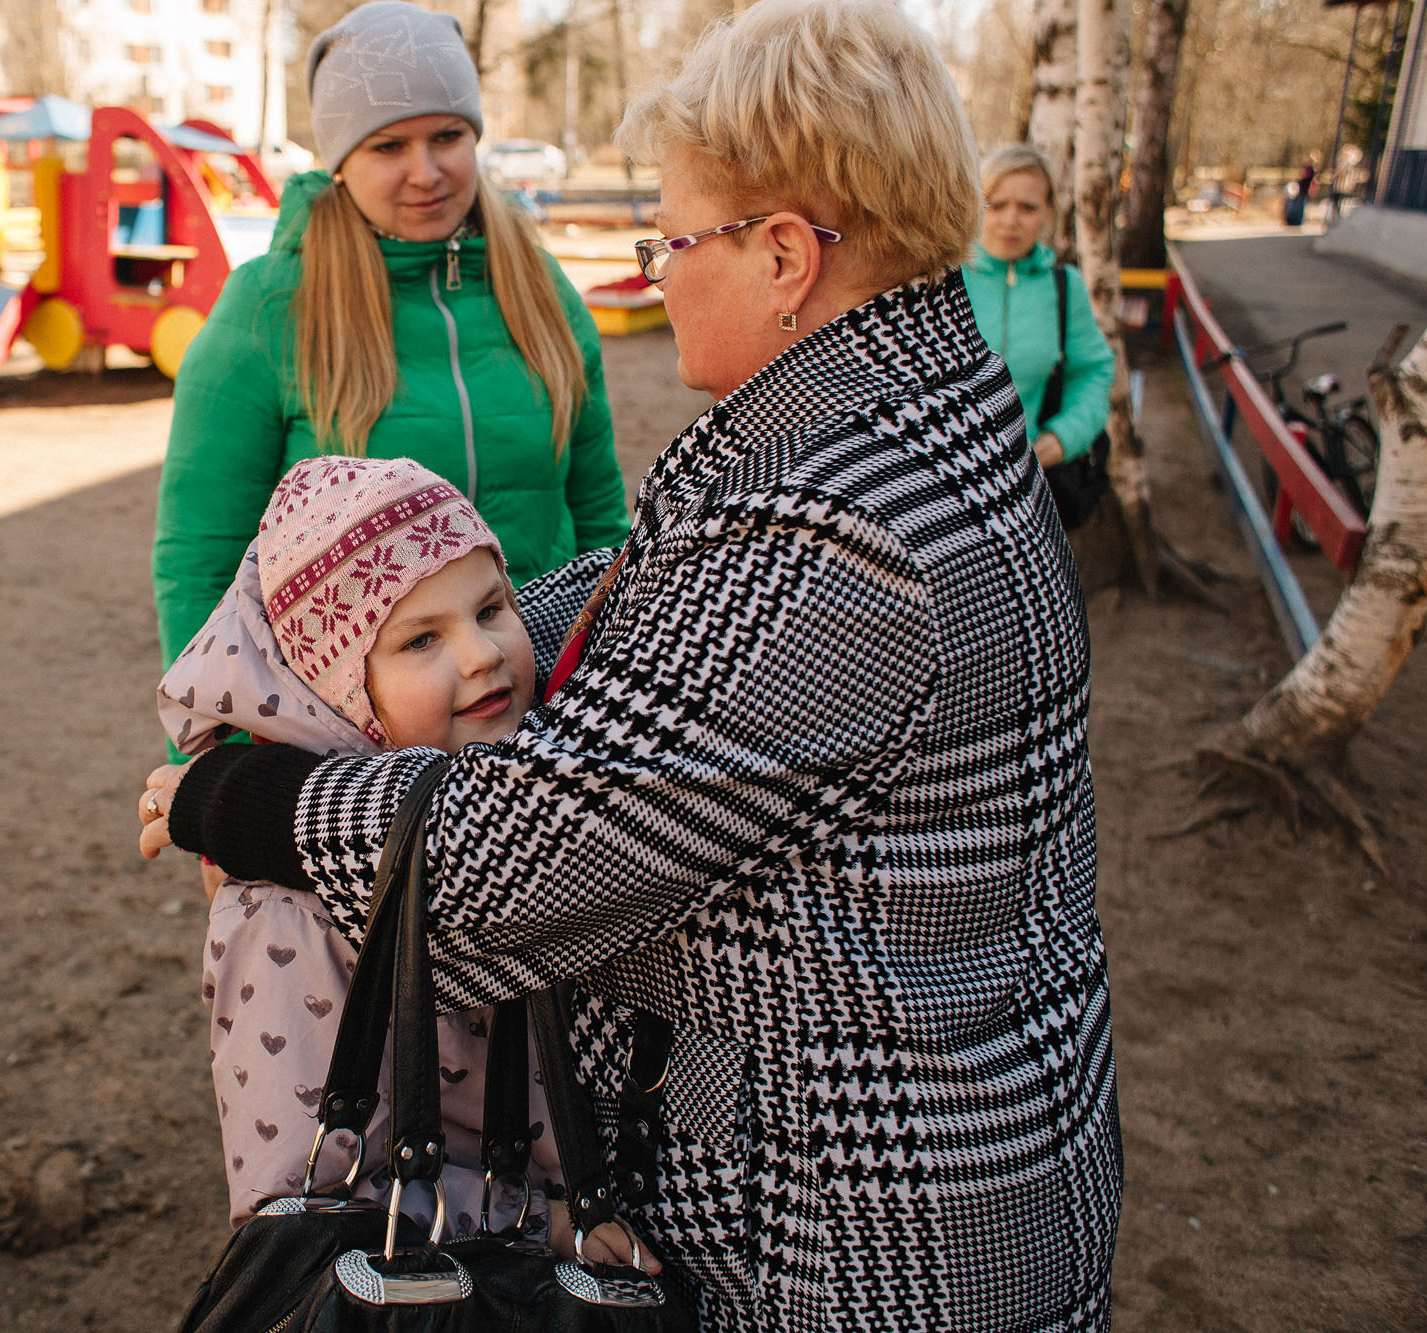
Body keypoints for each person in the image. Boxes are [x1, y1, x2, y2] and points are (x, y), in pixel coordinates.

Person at [141, 2, 1120, 1330]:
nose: (657, 271)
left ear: (785, 256)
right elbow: (644, 597)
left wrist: (255, 806)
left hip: (861, 1237)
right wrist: (350, 679)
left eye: (673, 237)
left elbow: (528, 858)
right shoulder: (907, 410)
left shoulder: (847, 524)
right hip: (951, 1149)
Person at [159, 455, 652, 1265]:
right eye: (422, 638)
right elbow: (309, 1202)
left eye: (492, 608)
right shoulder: (286, 913)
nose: (483, 655)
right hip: (472, 1282)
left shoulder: (527, 800)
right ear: (341, 692)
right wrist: (542, 1222)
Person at [152, 0, 631, 686]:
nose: (427, 171)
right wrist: (218, 771)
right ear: (340, 161)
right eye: (388, 146)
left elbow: (599, 518)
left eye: (447, 136)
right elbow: (200, 562)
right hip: (352, 743)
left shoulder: (540, 289)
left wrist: (606, 679)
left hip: (540, 700)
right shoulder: (268, 308)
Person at [960, 145, 1115, 476]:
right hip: (939, 481)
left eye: (1027, 207)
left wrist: (1063, 437)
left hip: (1026, 480)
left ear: (1048, 211)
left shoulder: (1065, 286)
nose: (1010, 221)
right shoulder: (942, 279)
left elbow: (1093, 372)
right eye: (996, 204)